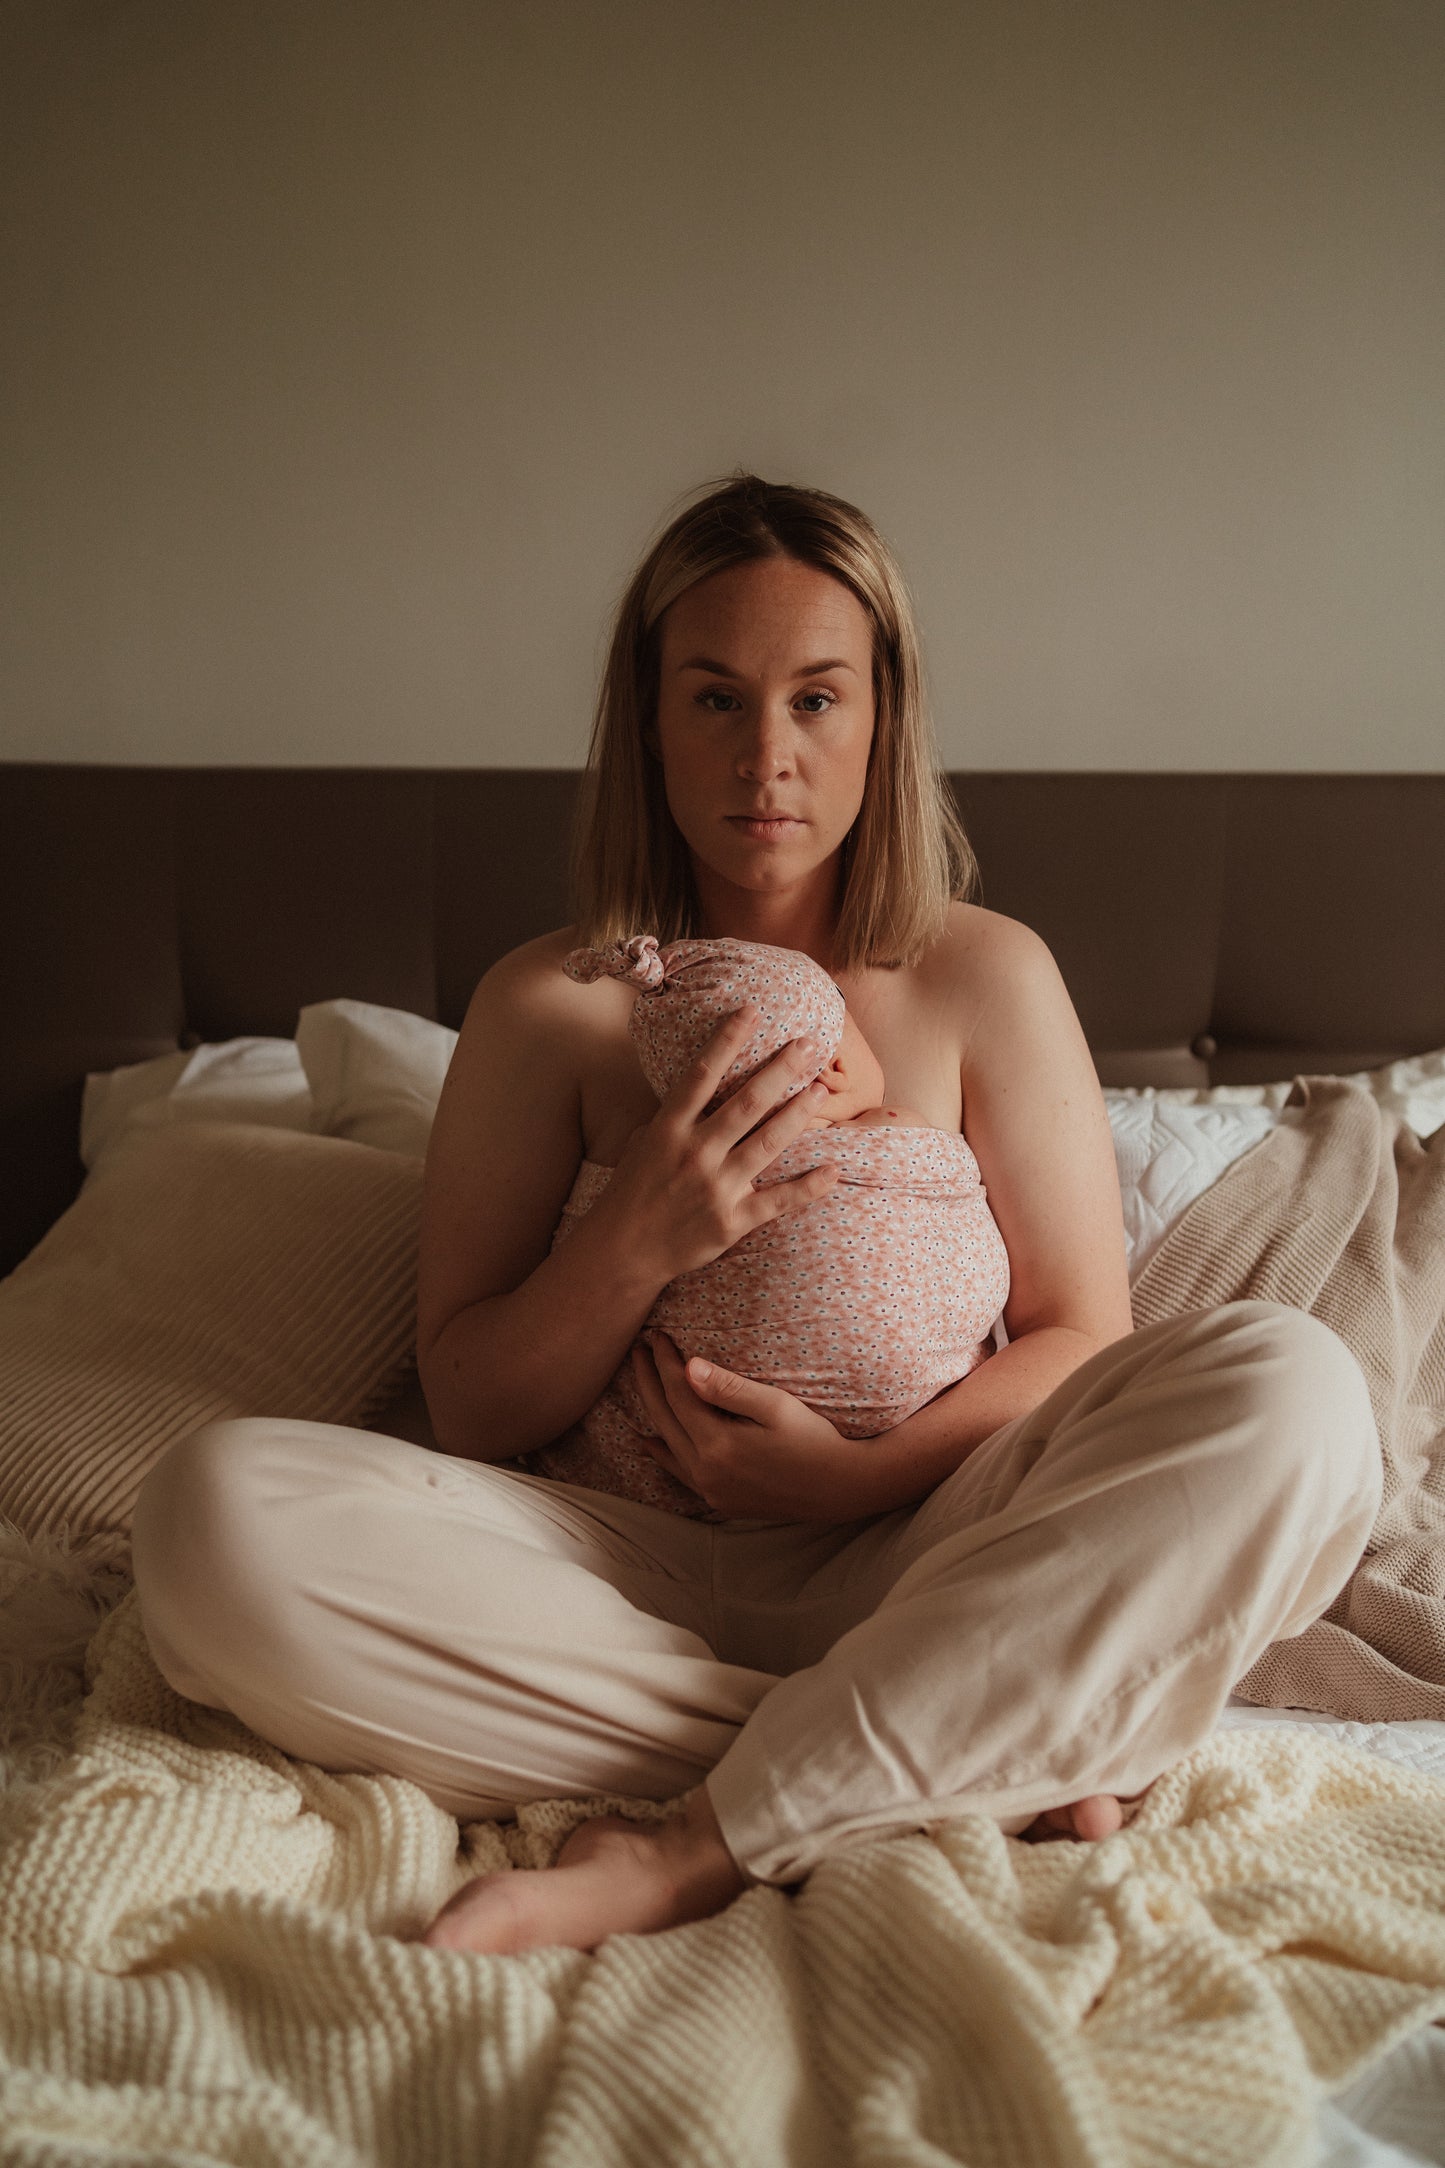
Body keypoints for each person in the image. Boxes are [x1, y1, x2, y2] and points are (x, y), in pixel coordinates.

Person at [130, 475, 1382, 1960]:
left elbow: (1078, 1341)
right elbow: (467, 1401)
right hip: (606, 1570)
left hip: (931, 1543)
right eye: (715, 700)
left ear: (883, 720)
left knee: (1299, 1396)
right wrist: (639, 1233)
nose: (766, 758)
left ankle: (691, 1845)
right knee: (209, 1526)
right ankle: (968, 1728)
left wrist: (862, 1479)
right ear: (647, 722)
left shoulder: (982, 975)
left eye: (815, 700)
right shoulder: (548, 1006)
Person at [529, 931, 1009, 1516]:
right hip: (926, 1506)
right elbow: (469, 1414)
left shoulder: (639, 1159)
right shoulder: (894, 1127)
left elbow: (1079, 1336)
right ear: (831, 1066)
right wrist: (640, 1250)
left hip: (665, 1500)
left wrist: (860, 1480)